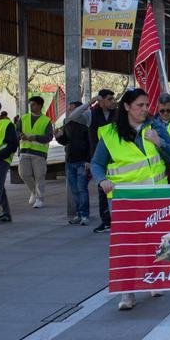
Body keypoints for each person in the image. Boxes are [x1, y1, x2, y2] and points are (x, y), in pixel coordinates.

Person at [91, 88, 170, 310]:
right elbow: (97, 163)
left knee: (154, 242)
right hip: (126, 201)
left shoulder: (155, 126)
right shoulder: (110, 134)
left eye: (146, 105)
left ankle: (154, 280)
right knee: (127, 246)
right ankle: (127, 293)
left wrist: (159, 142)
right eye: (140, 105)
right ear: (127, 107)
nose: (145, 109)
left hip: (155, 197)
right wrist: (102, 180)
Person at [69, 89, 117, 233]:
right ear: (101, 101)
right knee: (103, 192)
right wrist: (89, 103)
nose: (113, 101)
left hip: (118, 160)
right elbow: (73, 116)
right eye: (109, 99)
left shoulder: (119, 115)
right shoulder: (92, 115)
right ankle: (106, 222)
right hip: (100, 161)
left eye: (113, 99)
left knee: (118, 192)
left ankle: (120, 219)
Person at [55, 101, 91, 225]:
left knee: (82, 189)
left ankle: (85, 215)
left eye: (72, 109)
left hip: (82, 161)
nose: (70, 112)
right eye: (69, 110)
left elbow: (90, 144)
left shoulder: (86, 125)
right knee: (74, 190)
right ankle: (79, 214)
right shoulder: (68, 124)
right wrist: (59, 136)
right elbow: (65, 141)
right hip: (70, 160)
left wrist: (88, 160)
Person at [16, 95, 53, 209]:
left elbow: (49, 137)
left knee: (39, 176)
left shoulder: (46, 121)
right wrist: (20, 135)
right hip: (24, 151)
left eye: (34, 104)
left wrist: (35, 137)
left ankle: (40, 199)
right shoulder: (23, 118)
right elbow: (16, 131)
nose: (31, 106)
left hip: (39, 153)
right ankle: (34, 192)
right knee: (24, 174)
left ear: (40, 106)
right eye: (30, 104)